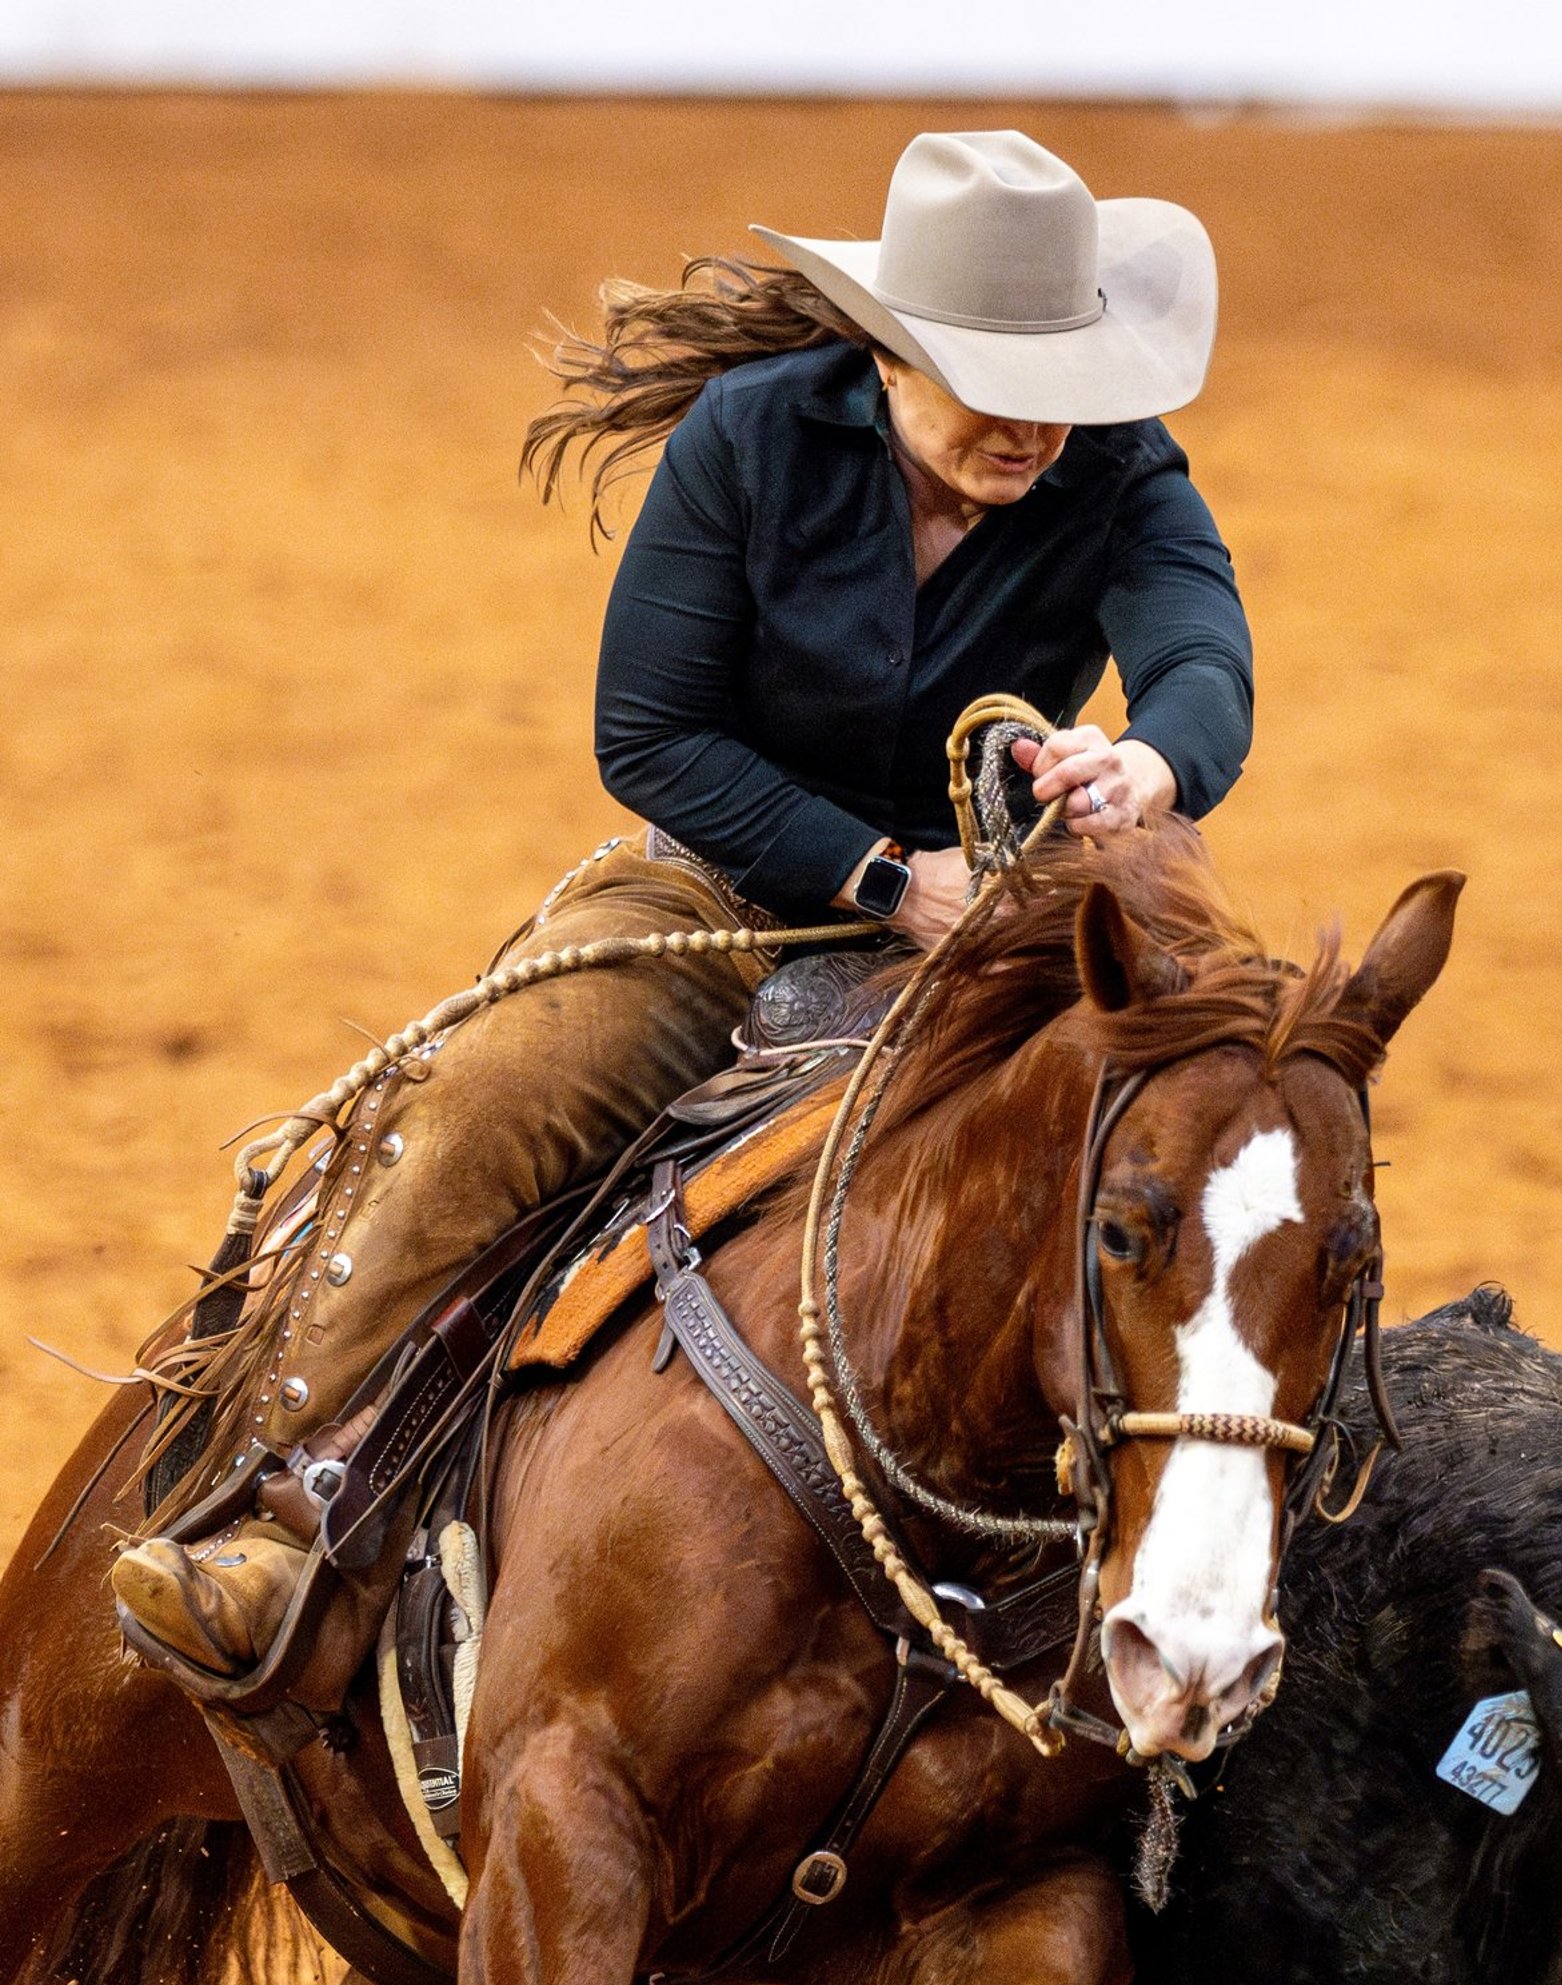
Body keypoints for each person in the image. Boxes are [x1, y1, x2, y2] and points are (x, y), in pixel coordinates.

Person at [112, 127, 1255, 1683]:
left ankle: (1198, 1562)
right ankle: (277, 1508)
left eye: (1060, 377)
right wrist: (880, 878)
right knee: (494, 1097)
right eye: (997, 376)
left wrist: (1147, 764)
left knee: (1206, 1151)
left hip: (983, 922)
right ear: (893, 352)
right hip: (722, 893)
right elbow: (651, 736)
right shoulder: (752, 436)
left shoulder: (1116, 464)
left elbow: (1203, 652)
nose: (1038, 423)